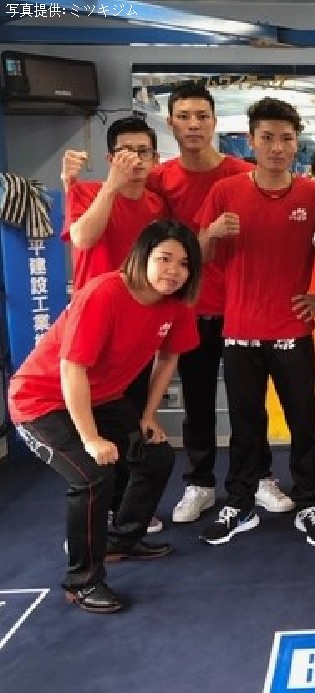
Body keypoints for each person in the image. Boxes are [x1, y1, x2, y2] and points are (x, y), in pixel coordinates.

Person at [60, 82, 290, 526]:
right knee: (197, 402)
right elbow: (111, 218)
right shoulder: (159, 180)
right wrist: (71, 184)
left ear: (214, 121)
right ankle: (199, 482)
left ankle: (259, 476)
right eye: (184, 116)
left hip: (242, 309)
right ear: (171, 124)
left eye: (202, 116)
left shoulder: (245, 174)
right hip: (185, 309)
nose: (193, 125)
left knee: (248, 403)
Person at [8, 220, 202, 613]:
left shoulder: (176, 306)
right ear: (142, 256)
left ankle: (122, 540)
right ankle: (82, 581)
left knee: (156, 456)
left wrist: (148, 415)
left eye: (184, 264)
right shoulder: (104, 293)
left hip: (103, 398)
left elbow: (168, 357)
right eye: (165, 258)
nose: (173, 271)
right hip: (41, 402)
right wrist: (91, 438)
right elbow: (72, 369)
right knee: (92, 477)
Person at [195, 97, 315, 547]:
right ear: (251, 141)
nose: (277, 147)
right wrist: (211, 233)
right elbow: (200, 256)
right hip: (239, 332)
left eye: (286, 139)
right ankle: (240, 500)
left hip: (293, 332)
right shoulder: (225, 192)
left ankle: (310, 499)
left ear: (297, 144)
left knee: (303, 421)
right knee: (244, 424)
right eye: (268, 138)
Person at [61, 115, 168, 534]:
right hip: (92, 329)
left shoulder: (156, 205)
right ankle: (95, 515)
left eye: (144, 152)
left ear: (154, 158)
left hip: (137, 333)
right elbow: (84, 238)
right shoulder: (85, 191)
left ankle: (125, 511)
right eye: (126, 152)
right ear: (110, 157)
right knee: (92, 427)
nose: (135, 160)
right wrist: (111, 185)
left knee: (130, 423)